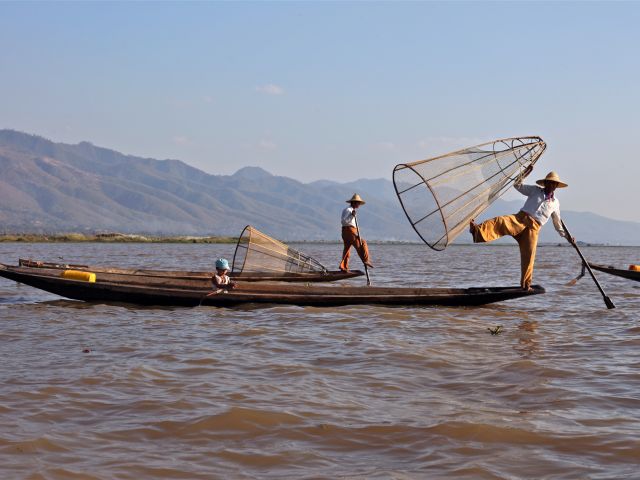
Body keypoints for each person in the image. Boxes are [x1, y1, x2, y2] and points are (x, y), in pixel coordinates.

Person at [469, 169, 574, 290]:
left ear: (556, 186)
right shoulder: (535, 190)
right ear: (545, 183)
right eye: (549, 183)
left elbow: (557, 223)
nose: (551, 185)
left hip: (533, 229)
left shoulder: (555, 203)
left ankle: (526, 285)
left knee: (529, 257)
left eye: (554, 184)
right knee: (500, 221)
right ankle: (476, 231)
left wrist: (567, 237)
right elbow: (517, 185)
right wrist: (524, 174)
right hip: (520, 219)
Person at [339, 193, 374, 272]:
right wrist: (351, 215)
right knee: (362, 243)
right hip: (349, 230)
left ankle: (343, 267)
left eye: (359, 203)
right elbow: (343, 221)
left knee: (347, 250)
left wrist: (352, 215)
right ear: (353, 202)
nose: (359, 205)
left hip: (348, 231)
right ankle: (366, 260)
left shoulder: (352, 210)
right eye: (358, 203)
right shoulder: (348, 210)